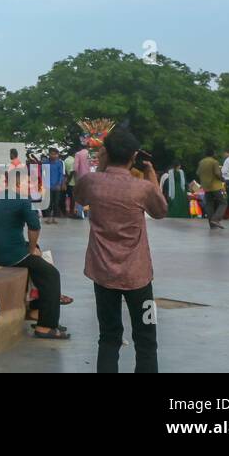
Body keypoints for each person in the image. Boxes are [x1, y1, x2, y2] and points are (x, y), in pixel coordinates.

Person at [74, 128, 167, 372]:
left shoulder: (90, 182)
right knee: (147, 338)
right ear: (134, 155)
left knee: (108, 336)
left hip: (102, 274)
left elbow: (80, 198)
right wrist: (151, 174)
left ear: (106, 152)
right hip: (139, 276)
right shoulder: (142, 188)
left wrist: (102, 166)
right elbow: (160, 211)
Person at [0, 168, 67, 339]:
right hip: (11, 255)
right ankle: (46, 326)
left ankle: (38, 311)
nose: (31, 185)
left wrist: (32, 248)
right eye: (27, 182)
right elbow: (35, 227)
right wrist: (30, 250)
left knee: (39, 263)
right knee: (51, 274)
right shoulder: (23, 200)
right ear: (17, 183)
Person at [195, 153, 226, 229]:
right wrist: (222, 179)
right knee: (223, 202)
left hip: (206, 187)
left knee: (209, 204)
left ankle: (212, 224)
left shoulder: (201, 162)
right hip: (215, 186)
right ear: (213, 154)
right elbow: (217, 173)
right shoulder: (214, 162)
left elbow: (198, 173)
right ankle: (216, 219)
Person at [44, 148, 66, 224]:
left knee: (56, 202)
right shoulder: (45, 163)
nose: (53, 155)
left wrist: (59, 184)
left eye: (55, 154)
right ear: (49, 154)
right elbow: (43, 174)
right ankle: (48, 218)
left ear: (57, 155)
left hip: (56, 186)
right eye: (52, 154)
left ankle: (55, 218)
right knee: (48, 203)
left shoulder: (59, 163)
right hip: (47, 186)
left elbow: (61, 175)